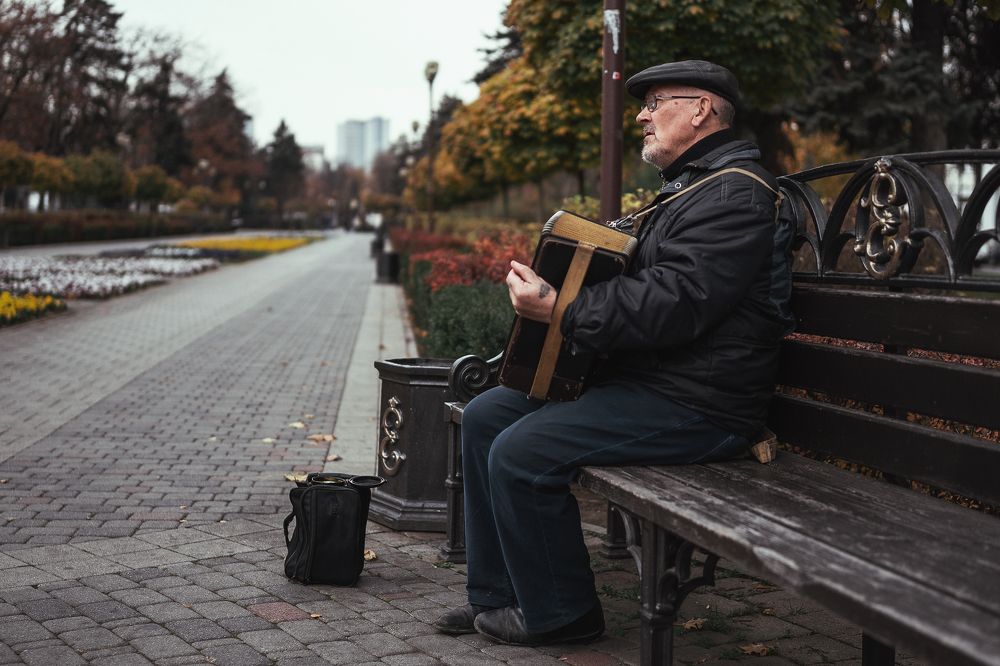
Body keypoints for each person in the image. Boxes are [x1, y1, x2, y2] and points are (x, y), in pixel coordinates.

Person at [434, 59, 792, 647]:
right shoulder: (692, 188)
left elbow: (677, 302)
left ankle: (563, 615)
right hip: (652, 382)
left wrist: (563, 308)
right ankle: (496, 594)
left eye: (655, 103)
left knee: (523, 451)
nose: (642, 117)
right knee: (486, 415)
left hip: (701, 405)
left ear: (700, 109)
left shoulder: (735, 193)